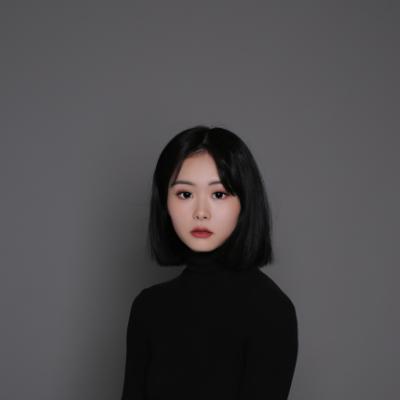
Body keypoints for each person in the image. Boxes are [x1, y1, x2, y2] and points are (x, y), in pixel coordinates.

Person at [121, 126, 299, 399]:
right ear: (165, 203)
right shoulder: (148, 308)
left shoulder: (271, 310)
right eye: (185, 194)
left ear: (244, 203)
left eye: (219, 194)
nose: (201, 212)